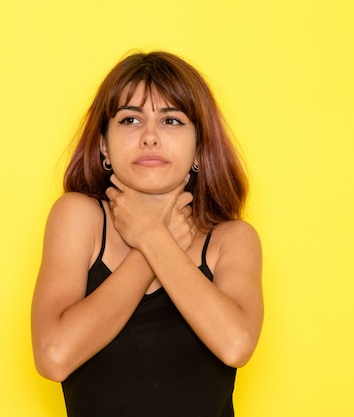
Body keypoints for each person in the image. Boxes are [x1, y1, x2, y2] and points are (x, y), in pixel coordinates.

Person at [31, 50, 263, 417]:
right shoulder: (79, 219)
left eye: (171, 120)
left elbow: (235, 345)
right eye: (130, 120)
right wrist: (150, 242)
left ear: (200, 147)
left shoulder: (231, 240)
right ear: (104, 145)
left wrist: (153, 237)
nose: (150, 137)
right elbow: (53, 356)